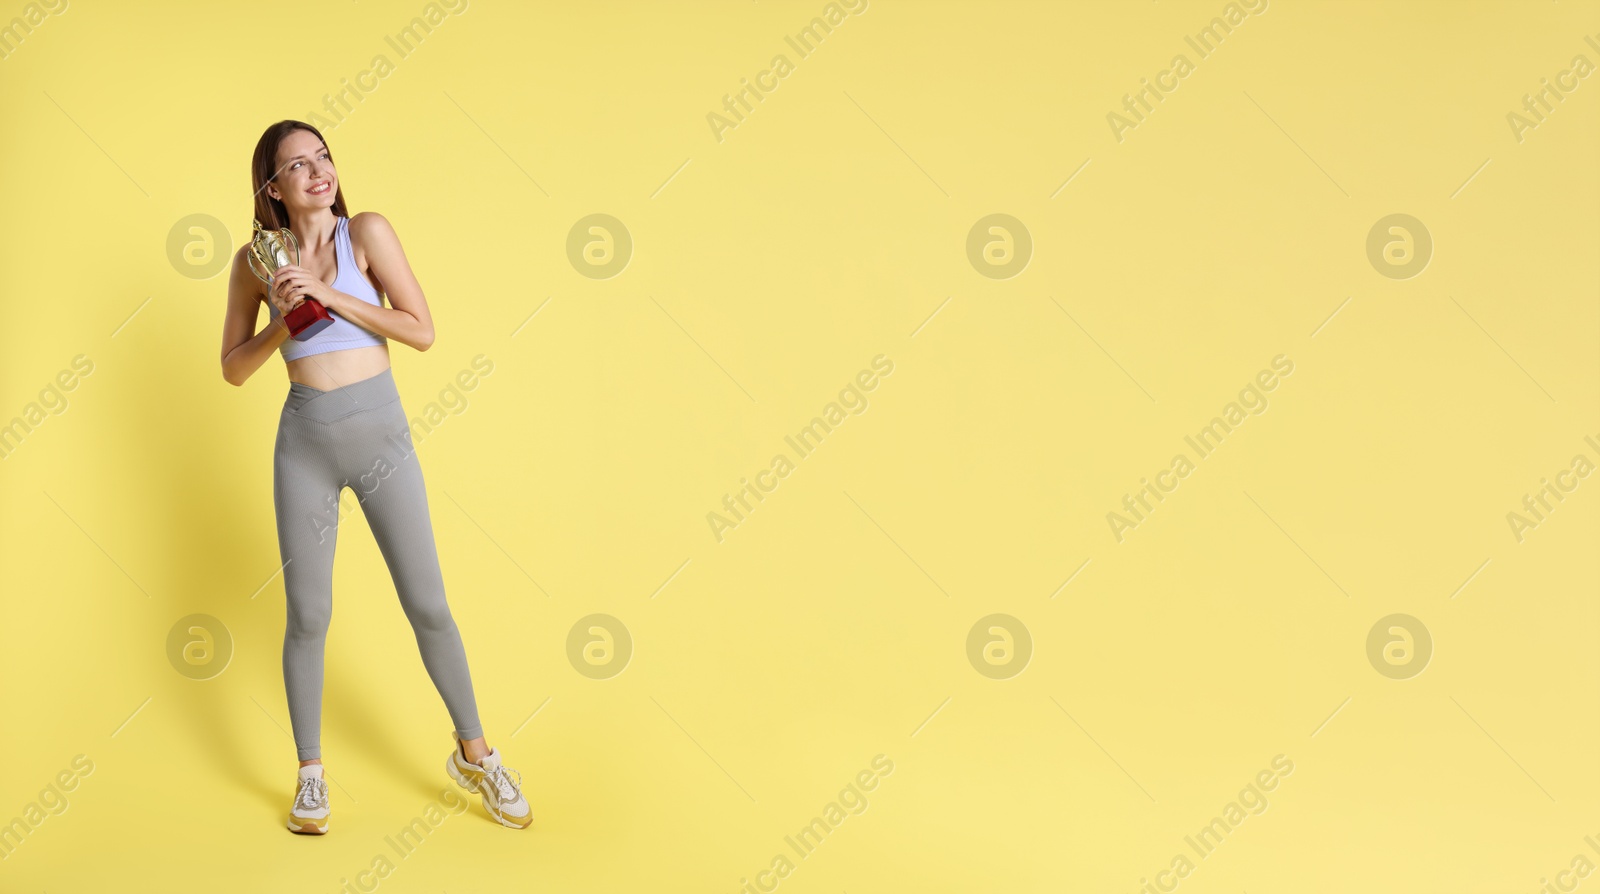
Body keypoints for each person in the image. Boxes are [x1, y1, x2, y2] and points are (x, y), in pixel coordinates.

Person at [219, 120, 530, 834]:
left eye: (323, 155)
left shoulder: (367, 233)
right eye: (297, 165)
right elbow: (234, 369)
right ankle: (311, 777)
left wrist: (331, 300)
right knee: (309, 616)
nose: (317, 170)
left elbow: (420, 329)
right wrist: (281, 318)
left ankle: (477, 755)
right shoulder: (254, 260)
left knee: (428, 605)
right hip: (305, 442)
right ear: (271, 188)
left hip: (381, 436)